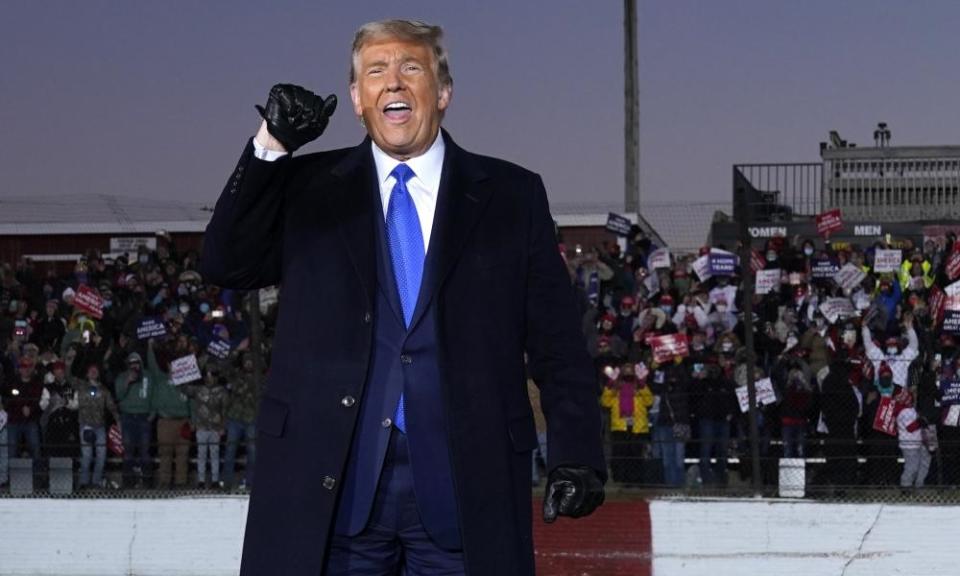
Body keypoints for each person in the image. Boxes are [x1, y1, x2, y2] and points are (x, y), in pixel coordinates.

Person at [201, 19, 605, 576]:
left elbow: (558, 342)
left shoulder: (512, 195)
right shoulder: (307, 188)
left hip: (467, 490)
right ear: (355, 100)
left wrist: (577, 451)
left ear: (443, 93)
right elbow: (226, 263)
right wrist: (270, 147)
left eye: (410, 68)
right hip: (331, 489)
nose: (393, 83)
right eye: (375, 71)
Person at [73, 363, 120, 489]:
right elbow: (67, 376)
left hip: (99, 426)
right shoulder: (81, 385)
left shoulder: (104, 390)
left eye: (95, 370)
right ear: (87, 373)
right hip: (85, 425)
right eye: (91, 370)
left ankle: (96, 481)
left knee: (101, 455)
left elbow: (111, 407)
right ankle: (83, 482)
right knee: (87, 455)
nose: (93, 372)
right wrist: (68, 362)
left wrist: (118, 421)